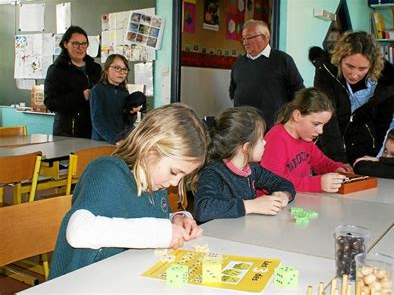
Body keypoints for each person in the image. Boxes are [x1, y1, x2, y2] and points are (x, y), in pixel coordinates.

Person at [49, 103, 208, 279]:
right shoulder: (106, 171)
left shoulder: (154, 181)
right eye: (174, 172)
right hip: (79, 284)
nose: (174, 182)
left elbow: (140, 218)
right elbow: (77, 231)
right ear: (150, 149)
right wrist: (160, 232)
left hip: (121, 278)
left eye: (182, 176)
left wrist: (174, 220)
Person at [309, 31, 394, 165]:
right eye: (349, 66)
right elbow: (327, 119)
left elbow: (383, 122)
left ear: (372, 66)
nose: (354, 74)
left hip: (363, 151)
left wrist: (373, 152)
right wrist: (338, 161)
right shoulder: (326, 72)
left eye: (362, 68)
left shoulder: (387, 82)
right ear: (339, 58)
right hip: (327, 148)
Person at [194, 106, 296, 224]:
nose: (265, 142)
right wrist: (251, 206)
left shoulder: (252, 169)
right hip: (217, 238)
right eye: (261, 139)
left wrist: (284, 194)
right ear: (246, 147)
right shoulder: (213, 173)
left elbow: (283, 183)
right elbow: (203, 210)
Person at [260, 88, 349, 193]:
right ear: (297, 116)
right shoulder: (276, 139)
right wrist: (318, 183)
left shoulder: (306, 139)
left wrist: (337, 169)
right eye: (316, 124)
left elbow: (321, 162)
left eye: (323, 125)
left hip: (299, 200)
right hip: (276, 205)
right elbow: (272, 182)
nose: (321, 131)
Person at [229, 20, 304, 129]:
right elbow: (233, 91)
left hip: (274, 128)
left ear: (264, 38)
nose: (245, 42)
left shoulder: (282, 60)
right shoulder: (239, 63)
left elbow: (299, 91)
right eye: (243, 38)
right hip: (244, 129)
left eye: (249, 38)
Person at [44, 26, 102, 138]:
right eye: (76, 44)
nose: (81, 48)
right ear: (65, 44)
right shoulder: (57, 69)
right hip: (67, 131)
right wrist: (81, 96)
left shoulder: (95, 68)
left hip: (93, 129)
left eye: (84, 44)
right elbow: (50, 103)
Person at [90, 54, 131, 144]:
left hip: (121, 141)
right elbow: (97, 120)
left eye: (124, 69)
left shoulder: (124, 92)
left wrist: (132, 112)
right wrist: (116, 140)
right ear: (107, 70)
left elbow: (127, 121)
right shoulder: (98, 90)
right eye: (117, 68)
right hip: (102, 142)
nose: (121, 72)